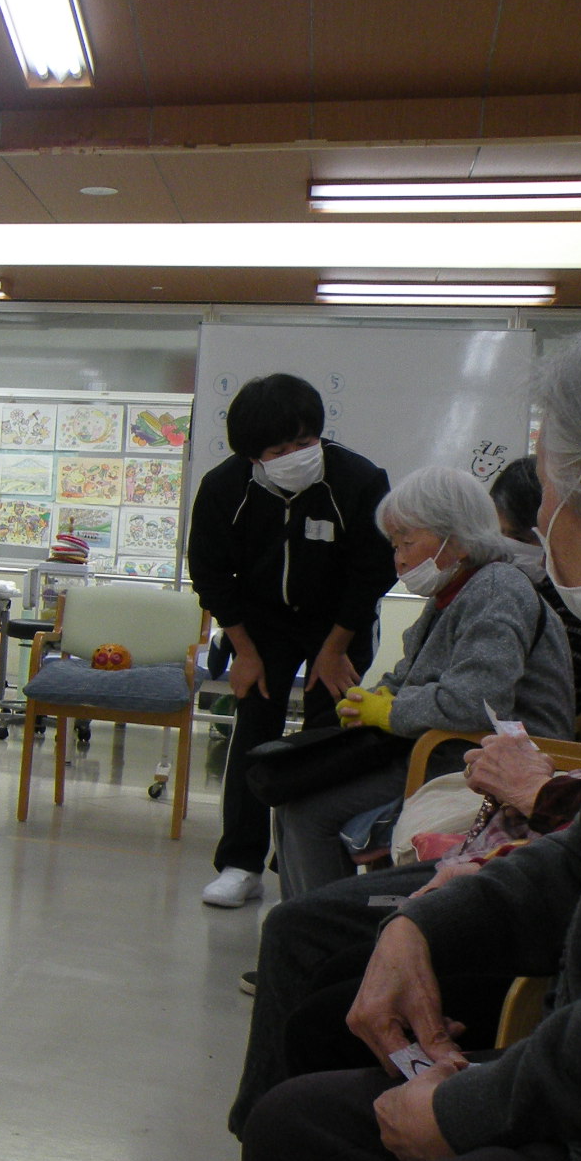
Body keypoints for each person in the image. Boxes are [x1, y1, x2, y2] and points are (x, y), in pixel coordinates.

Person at [165, 277, 581, 1161]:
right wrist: (420, 923)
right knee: (295, 1117)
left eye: (547, 491)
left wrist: (471, 1108)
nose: (538, 529)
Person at [160, 733, 581, 1161]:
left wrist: (536, 792)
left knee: (322, 990)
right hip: (501, 853)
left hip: (509, 851)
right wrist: (419, 920)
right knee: (309, 921)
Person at [271, 464, 576, 899]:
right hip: (444, 748)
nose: (398, 558)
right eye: (395, 545)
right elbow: (413, 674)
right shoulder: (455, 591)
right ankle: (307, 930)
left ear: (459, 539)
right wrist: (373, 698)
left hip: (482, 759)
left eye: (408, 542)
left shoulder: (497, 589)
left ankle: (326, 936)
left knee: (308, 811)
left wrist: (390, 710)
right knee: (290, 797)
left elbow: (474, 702)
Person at [188, 374, 396, 909]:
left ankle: (302, 863)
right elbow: (210, 573)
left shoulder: (359, 480)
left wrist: (335, 649)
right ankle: (240, 864)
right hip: (260, 624)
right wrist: (244, 651)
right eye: (279, 451)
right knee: (255, 732)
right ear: (253, 455)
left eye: (304, 442)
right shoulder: (224, 488)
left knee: (327, 740)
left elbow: (373, 572)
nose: (295, 456)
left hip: (339, 621)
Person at [491, 454, 581, 714]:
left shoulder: (575, 606)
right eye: (498, 535)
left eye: (519, 539)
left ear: (554, 532)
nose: (506, 549)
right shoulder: (515, 588)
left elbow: (518, 694)